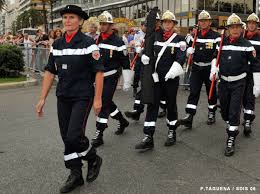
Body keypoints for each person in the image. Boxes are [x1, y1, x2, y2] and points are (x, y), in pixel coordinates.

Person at [35, 5, 104, 193]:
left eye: (72, 17)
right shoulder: (57, 44)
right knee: (67, 138)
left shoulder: (89, 43)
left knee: (74, 135)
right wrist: (42, 98)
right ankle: (75, 174)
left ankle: (92, 158)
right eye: (65, 17)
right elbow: (50, 71)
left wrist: (98, 99)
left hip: (82, 95)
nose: (67, 21)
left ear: (80, 21)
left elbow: (99, 72)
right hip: (63, 95)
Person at [135, 10, 187, 150]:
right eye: (164, 22)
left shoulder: (180, 39)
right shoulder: (156, 36)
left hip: (171, 77)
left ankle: (171, 131)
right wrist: (145, 58)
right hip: (156, 78)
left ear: (174, 24)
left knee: (170, 105)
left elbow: (181, 57)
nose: (167, 24)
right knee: (152, 105)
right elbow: (150, 52)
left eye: (170, 22)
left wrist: (174, 70)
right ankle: (148, 137)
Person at [210, 13, 260, 157]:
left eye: (238, 27)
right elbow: (216, 56)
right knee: (225, 110)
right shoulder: (222, 42)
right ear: (228, 29)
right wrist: (215, 67)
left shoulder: (247, 45)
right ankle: (230, 123)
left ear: (241, 28)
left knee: (234, 110)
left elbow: (256, 65)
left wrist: (257, 84)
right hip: (223, 82)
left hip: (239, 82)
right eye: (232, 27)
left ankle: (231, 138)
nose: (235, 30)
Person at [91, 11, 130, 148]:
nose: (102, 26)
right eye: (101, 24)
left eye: (105, 24)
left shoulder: (118, 42)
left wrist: (127, 80)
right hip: (98, 77)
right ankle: (122, 120)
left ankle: (99, 133)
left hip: (112, 76)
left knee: (103, 103)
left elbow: (126, 61)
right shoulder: (96, 40)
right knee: (107, 103)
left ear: (111, 25)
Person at [180, 10, 220, 129]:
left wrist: (215, 67)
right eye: (201, 21)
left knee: (211, 92)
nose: (203, 23)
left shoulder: (216, 37)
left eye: (205, 21)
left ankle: (211, 112)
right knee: (193, 92)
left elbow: (217, 52)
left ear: (209, 22)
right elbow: (185, 47)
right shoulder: (194, 36)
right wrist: (188, 52)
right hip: (197, 68)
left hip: (209, 67)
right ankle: (190, 116)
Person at [124, 13, 167, 121]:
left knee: (161, 90)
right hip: (148, 65)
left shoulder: (163, 34)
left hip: (159, 66)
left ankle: (164, 108)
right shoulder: (148, 33)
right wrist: (141, 52)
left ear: (158, 22)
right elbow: (145, 47)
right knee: (144, 89)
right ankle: (137, 111)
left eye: (153, 21)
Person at [242, 13, 260, 136]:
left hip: (254, 72)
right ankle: (247, 115)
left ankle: (247, 120)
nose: (251, 25)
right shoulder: (242, 37)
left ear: (257, 25)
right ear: (247, 25)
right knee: (242, 97)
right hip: (241, 71)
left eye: (254, 23)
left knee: (250, 96)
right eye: (250, 23)